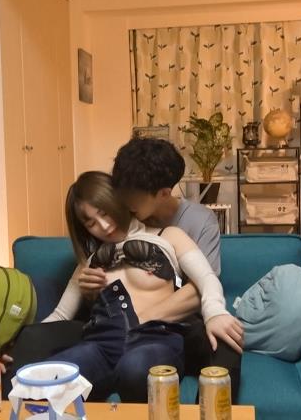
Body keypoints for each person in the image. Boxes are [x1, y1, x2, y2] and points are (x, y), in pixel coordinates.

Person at [42, 171, 242, 402]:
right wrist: (15, 344)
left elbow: (206, 277)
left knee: (135, 369)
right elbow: (59, 315)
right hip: (100, 343)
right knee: (49, 377)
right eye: (91, 223)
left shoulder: (169, 236)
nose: (104, 226)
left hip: (155, 338)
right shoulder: (88, 263)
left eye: (105, 212)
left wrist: (215, 312)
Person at [104, 137, 243, 398]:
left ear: (164, 193)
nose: (125, 201)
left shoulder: (200, 221)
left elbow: (200, 289)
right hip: (132, 329)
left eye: (133, 196)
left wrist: (140, 319)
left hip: (181, 325)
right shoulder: (121, 218)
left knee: (227, 341)